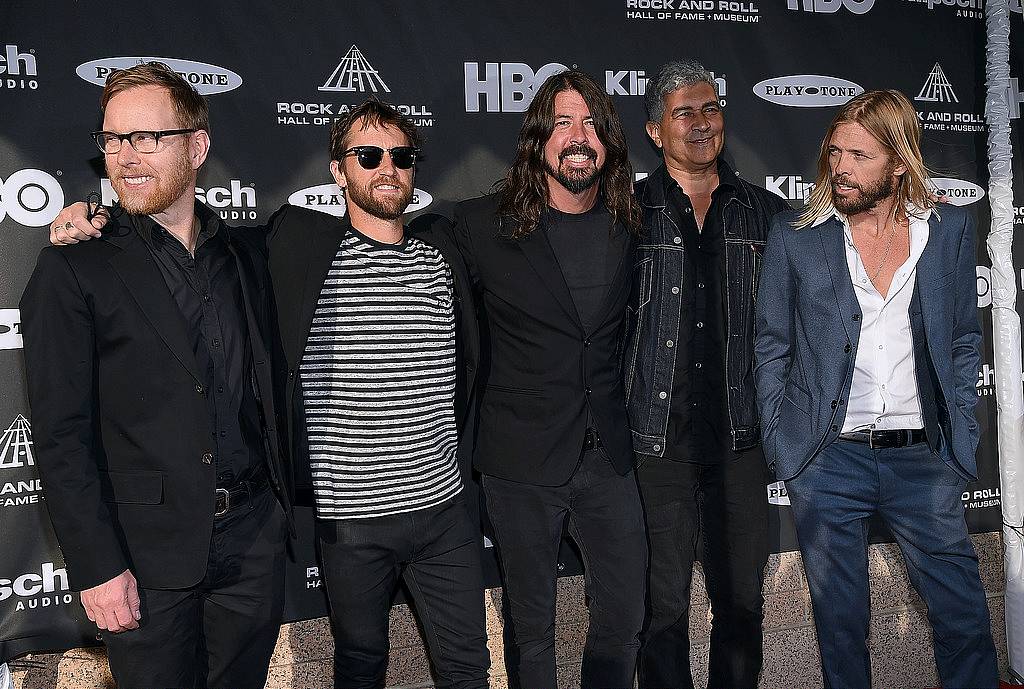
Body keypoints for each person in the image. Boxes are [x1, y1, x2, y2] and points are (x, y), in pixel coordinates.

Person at [50, 97, 491, 689]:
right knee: (361, 666)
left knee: (468, 669)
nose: (386, 167)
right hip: (346, 522)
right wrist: (90, 218)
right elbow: (63, 433)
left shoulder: (447, 245)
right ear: (337, 170)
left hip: (440, 513)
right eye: (367, 154)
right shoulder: (291, 244)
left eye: (401, 155)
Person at [22, 62, 291, 689]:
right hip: (143, 558)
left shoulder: (247, 254)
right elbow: (61, 438)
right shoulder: (74, 269)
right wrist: (97, 568)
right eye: (113, 139)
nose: (126, 157)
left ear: (197, 147)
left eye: (148, 138)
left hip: (252, 543)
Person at [754, 89, 998, 689]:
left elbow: (965, 337)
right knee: (840, 626)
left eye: (860, 156)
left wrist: (958, 437)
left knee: (963, 617)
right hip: (829, 459)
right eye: (835, 154)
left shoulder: (944, 232)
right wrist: (792, 450)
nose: (842, 168)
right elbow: (770, 343)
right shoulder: (798, 235)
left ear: (897, 160)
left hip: (924, 460)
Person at [448, 69, 647, 689]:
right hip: (520, 459)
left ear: (608, 143)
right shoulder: (481, 229)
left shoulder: (630, 227)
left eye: (591, 122)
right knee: (530, 630)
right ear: (538, 140)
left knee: (624, 612)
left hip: (606, 453)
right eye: (562, 122)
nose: (578, 135)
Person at [623, 59, 789, 689]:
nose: (701, 122)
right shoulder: (628, 214)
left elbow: (789, 333)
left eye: (711, 108)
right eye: (684, 112)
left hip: (740, 447)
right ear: (654, 129)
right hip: (655, 447)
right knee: (661, 612)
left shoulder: (765, 215)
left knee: (742, 606)